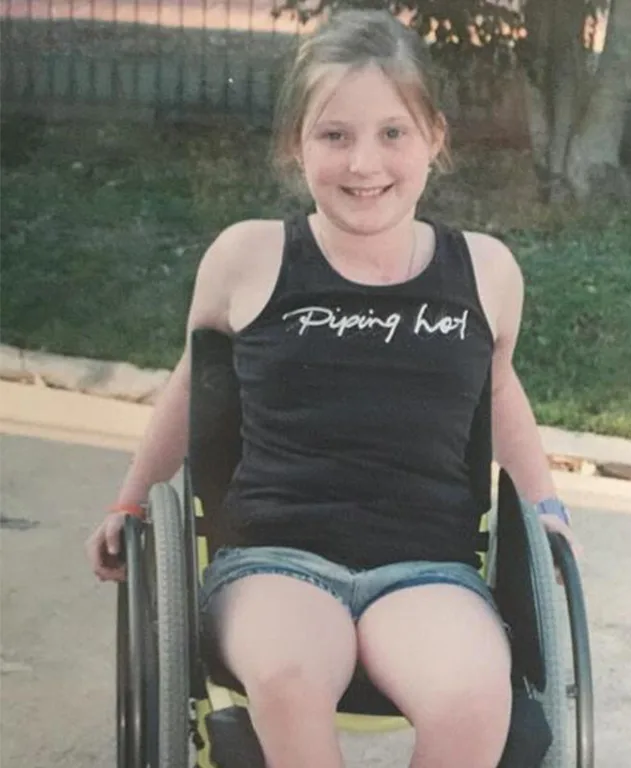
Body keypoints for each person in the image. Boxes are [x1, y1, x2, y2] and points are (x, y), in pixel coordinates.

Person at [86, 9, 581, 768]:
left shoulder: (485, 271)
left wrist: (545, 508)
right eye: (335, 135)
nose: (363, 163)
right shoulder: (248, 258)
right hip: (274, 562)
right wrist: (129, 502)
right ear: (296, 144)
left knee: (474, 697)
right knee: (289, 676)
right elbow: (194, 385)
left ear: (435, 138)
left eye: (393, 132)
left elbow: (499, 390)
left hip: (428, 569)